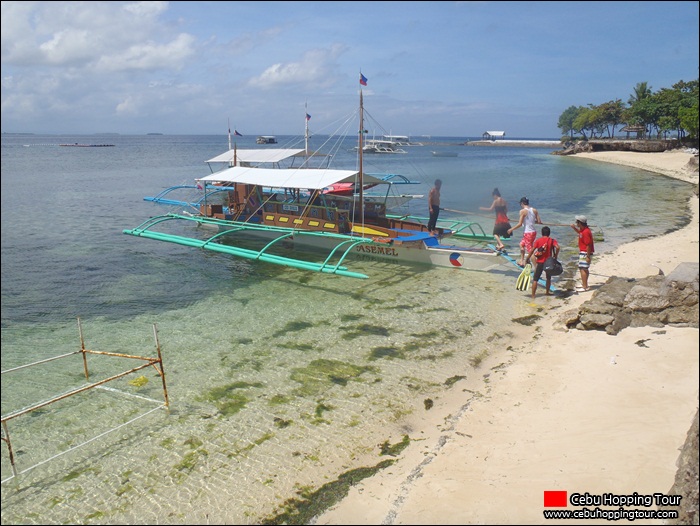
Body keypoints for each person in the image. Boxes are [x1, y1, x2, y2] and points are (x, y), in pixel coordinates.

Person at [524, 226, 559, 298]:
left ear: (542, 233)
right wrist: (555, 255)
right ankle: (547, 292)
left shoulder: (538, 240)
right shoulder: (552, 240)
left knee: (535, 279)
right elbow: (558, 247)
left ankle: (533, 295)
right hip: (548, 262)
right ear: (549, 233)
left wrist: (527, 258)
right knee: (548, 278)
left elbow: (532, 250)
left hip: (540, 262)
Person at [507, 197, 541, 267]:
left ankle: (536, 269)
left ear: (522, 203)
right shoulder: (534, 210)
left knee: (530, 251)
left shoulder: (522, 211)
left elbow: (519, 224)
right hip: (533, 232)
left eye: (520, 204)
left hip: (528, 233)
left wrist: (511, 229)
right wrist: (530, 221)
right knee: (521, 244)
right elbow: (539, 221)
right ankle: (522, 261)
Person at [479, 187, 511, 251]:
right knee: (499, 232)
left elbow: (490, 209)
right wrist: (506, 217)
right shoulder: (504, 201)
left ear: (495, 195)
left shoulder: (495, 201)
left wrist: (482, 208)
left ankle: (501, 244)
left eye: (493, 196)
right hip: (505, 218)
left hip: (499, 219)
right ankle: (498, 245)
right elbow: (506, 210)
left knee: (495, 233)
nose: (493, 198)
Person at [571, 214, 595, 292]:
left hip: (585, 252)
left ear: (580, 223)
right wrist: (574, 228)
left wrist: (587, 256)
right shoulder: (583, 230)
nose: (576, 223)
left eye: (577, 222)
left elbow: (588, 244)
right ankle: (585, 284)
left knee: (583, 269)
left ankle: (585, 287)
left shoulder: (586, 232)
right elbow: (580, 233)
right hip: (584, 252)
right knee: (584, 269)